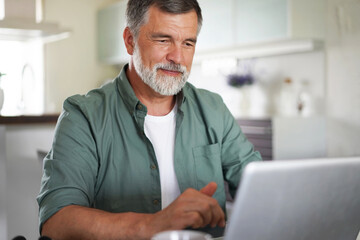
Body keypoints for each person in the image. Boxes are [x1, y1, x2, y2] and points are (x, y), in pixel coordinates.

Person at [37, 0, 262, 239]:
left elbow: (260, 189)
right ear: (130, 40)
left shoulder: (213, 109)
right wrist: (153, 225)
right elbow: (57, 222)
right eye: (163, 40)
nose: (177, 57)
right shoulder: (83, 116)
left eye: (188, 43)